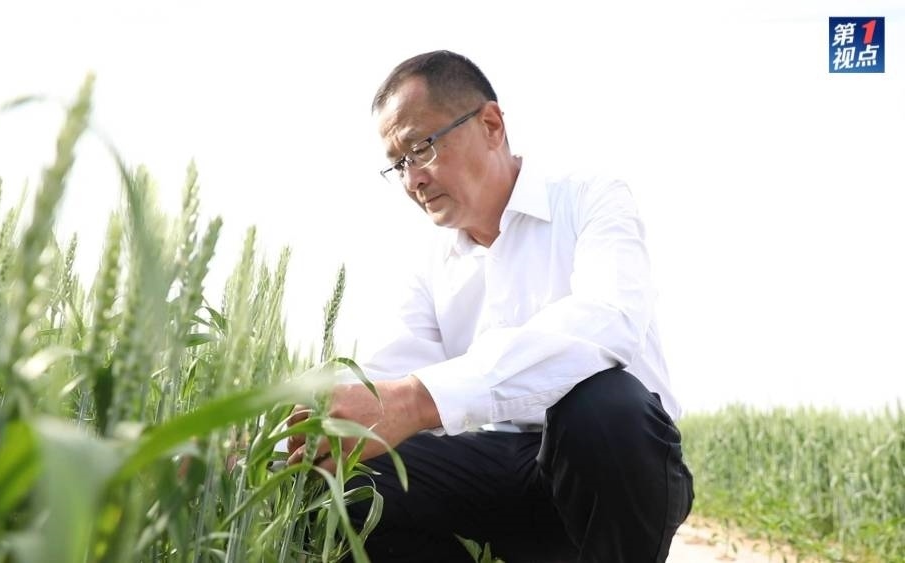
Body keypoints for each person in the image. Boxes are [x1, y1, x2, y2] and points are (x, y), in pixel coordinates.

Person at [287, 50, 693, 562]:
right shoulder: (431, 267)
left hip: (612, 471)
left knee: (602, 404)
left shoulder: (591, 199)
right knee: (344, 473)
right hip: (501, 474)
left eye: (421, 148)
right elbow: (381, 384)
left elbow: (607, 323)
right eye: (398, 164)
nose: (412, 180)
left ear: (491, 125)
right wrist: (271, 442)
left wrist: (417, 400)